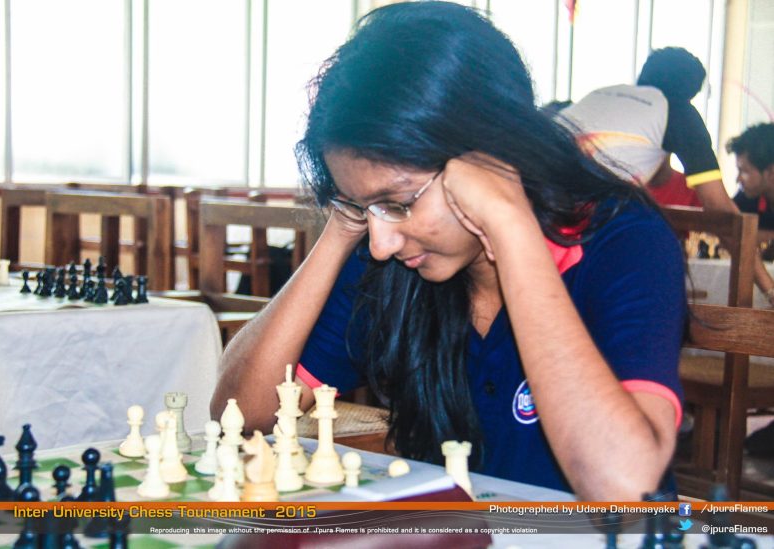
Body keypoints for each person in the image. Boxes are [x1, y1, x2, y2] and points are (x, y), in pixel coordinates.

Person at [211, 1, 685, 501]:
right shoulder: (389, 257)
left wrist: (510, 226)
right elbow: (239, 413)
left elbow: (625, 488)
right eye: (363, 207)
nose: (382, 243)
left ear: (491, 155)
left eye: (398, 202)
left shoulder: (625, 242)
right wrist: (343, 223)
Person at [561, 48, 774, 303]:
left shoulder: (597, 96)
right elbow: (720, 209)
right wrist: (769, 289)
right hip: (572, 224)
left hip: (538, 206)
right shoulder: (676, 110)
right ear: (690, 94)